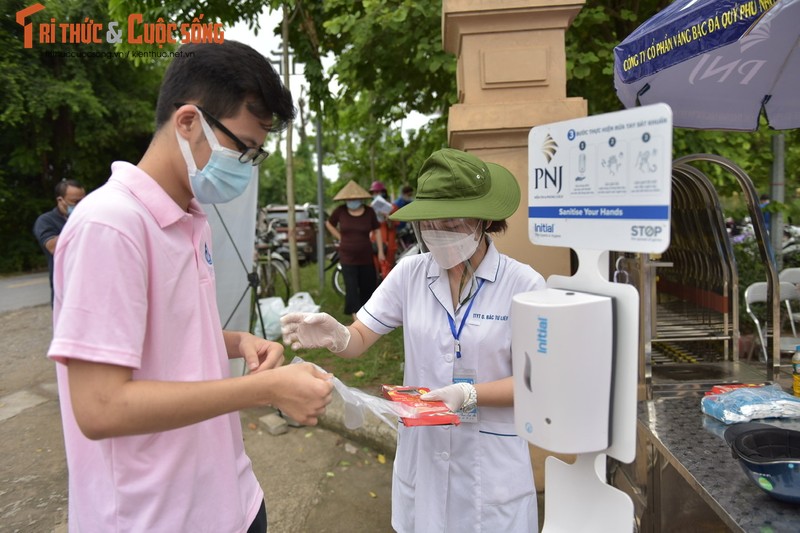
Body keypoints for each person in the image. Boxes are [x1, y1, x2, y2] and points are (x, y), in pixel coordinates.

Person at [46, 40, 333, 533]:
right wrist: (259, 389)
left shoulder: (189, 216)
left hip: (230, 498)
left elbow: (166, 335)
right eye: (242, 148)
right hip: (155, 516)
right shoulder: (111, 226)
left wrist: (237, 342)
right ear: (187, 122)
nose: (246, 165)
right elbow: (100, 406)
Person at [282, 148, 546, 532]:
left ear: (484, 220)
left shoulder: (524, 285)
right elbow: (360, 337)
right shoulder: (411, 273)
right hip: (422, 459)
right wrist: (337, 336)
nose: (438, 235)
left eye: (452, 225)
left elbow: (535, 383)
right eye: (430, 224)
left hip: (491, 470)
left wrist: (468, 395)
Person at [326, 180, 385, 321]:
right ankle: (356, 316)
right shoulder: (340, 211)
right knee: (351, 286)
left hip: (366, 255)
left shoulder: (369, 212)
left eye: (354, 199)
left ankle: (368, 312)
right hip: (347, 256)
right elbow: (329, 223)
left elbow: (377, 230)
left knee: (368, 285)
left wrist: (381, 251)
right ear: (345, 199)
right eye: (349, 199)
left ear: (360, 198)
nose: (352, 201)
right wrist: (340, 236)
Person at [32, 179, 86, 305]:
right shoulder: (46, 221)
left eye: (83, 200)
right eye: (75, 202)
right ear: (60, 200)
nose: (80, 205)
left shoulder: (89, 216)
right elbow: (52, 246)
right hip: (64, 288)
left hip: (88, 284)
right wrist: (77, 221)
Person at [369, 180, 398, 276]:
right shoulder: (370, 208)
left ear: (383, 193)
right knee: (375, 268)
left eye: (378, 192)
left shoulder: (392, 207)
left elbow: (395, 223)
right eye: (373, 193)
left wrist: (387, 216)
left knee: (387, 269)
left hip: (389, 242)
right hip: (374, 241)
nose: (376, 195)